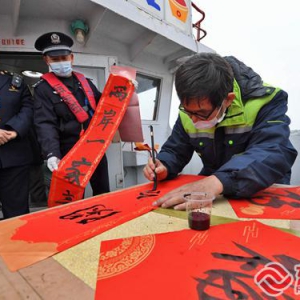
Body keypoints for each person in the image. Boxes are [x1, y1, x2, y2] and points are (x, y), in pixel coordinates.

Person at [143, 52, 297, 210]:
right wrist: (164, 166)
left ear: (228, 99)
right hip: (215, 190)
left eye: (202, 113)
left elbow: (274, 150)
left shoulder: (266, 101)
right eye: (189, 112)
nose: (193, 120)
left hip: (262, 188)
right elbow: (176, 149)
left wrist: (216, 182)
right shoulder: (191, 109)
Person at [33, 32, 110, 197]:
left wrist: (124, 87)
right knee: (73, 197)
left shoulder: (86, 83)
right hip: (67, 150)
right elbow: (45, 124)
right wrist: (52, 153)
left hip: (94, 146)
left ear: (72, 58)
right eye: (55, 60)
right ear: (46, 60)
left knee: (103, 191)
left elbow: (106, 105)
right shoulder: (43, 89)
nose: (61, 62)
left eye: (64, 58)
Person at [0, 70, 33, 219]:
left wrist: (14, 130)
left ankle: (16, 243)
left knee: (17, 215)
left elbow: (28, 108)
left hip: (14, 158)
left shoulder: (14, 82)